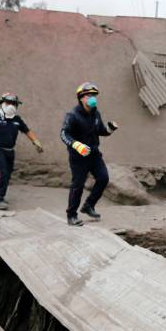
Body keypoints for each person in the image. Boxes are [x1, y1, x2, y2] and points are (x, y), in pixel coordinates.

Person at [60, 82, 118, 226]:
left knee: (103, 178)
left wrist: (109, 129)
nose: (93, 98)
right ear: (81, 98)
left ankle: (88, 205)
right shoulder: (72, 115)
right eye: (90, 96)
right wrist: (76, 145)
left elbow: (100, 131)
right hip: (78, 157)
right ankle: (71, 215)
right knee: (78, 184)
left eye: (94, 95)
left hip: (94, 154)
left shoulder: (95, 113)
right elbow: (63, 133)